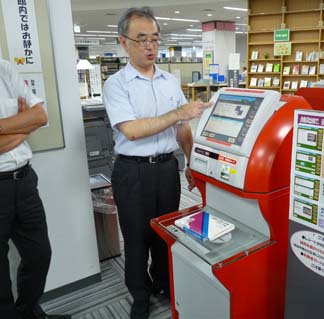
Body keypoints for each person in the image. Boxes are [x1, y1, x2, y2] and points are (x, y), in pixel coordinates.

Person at [103, 7, 212, 319]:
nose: (150, 46)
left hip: (167, 169)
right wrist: (178, 113)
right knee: (137, 237)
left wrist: (191, 162)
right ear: (124, 42)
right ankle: (140, 295)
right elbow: (132, 131)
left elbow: (183, 129)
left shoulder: (168, 81)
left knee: (166, 232)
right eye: (141, 40)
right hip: (132, 171)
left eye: (154, 39)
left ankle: (164, 282)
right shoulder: (117, 84)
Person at [0, 59, 71, 319]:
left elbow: (40, 116)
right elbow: (31, 121)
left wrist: (17, 124)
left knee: (39, 253)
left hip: (24, 181)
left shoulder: (4, 68)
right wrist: (21, 123)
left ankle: (27, 312)